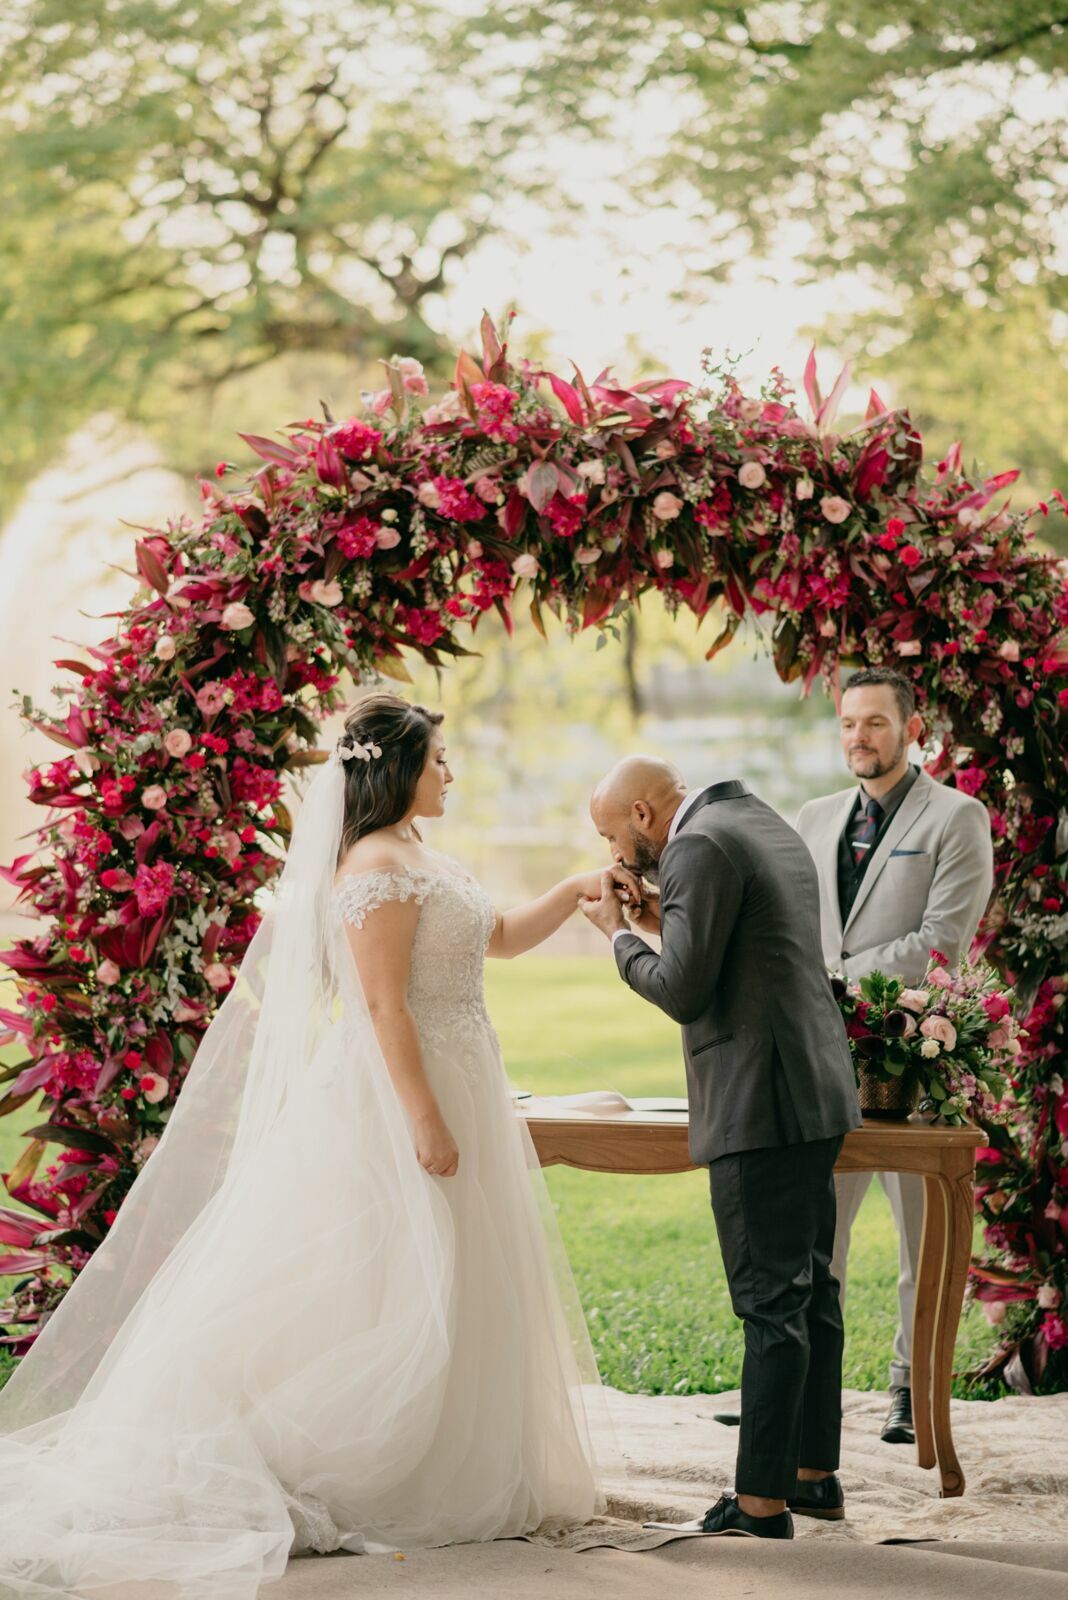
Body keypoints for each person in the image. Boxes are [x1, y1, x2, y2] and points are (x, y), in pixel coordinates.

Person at [0, 692, 609, 1598]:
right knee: (383, 1275)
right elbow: (382, 1006)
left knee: (457, 1270)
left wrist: (576, 886)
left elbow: (505, 940)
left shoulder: (420, 855)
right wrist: (425, 1117)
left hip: (462, 1075)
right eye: (440, 758)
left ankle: (454, 1451)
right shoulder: (370, 865)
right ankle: (348, 1461)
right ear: (399, 767)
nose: (451, 772)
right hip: (400, 1095)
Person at [580, 757, 862, 1539]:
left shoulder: (699, 845)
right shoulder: (761, 821)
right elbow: (733, 948)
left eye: (612, 835)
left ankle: (761, 1506)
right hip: (814, 1088)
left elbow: (681, 989)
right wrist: (658, 917)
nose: (615, 854)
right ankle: (812, 1476)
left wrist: (617, 937)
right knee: (813, 1289)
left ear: (643, 812)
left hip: (758, 1098)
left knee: (770, 1300)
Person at [795, 666, 994, 1445]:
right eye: (848, 723)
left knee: (920, 1241)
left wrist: (833, 982)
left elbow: (942, 943)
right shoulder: (812, 817)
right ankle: (805, 1389)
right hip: (820, 1062)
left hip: (919, 1062)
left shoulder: (958, 817)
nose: (859, 738)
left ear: (913, 729)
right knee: (819, 1233)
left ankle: (910, 1390)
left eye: (875, 723)